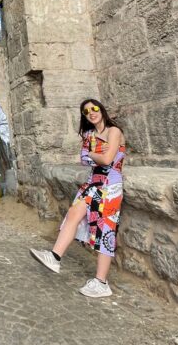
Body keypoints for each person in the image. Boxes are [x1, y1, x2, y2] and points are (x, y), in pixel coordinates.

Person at [29, 99, 126, 298]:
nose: (91, 112)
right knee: (73, 214)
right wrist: (96, 154)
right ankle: (54, 257)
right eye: (86, 111)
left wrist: (92, 153)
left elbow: (107, 160)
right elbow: (84, 160)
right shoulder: (89, 135)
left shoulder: (113, 131)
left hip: (110, 186)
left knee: (104, 232)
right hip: (92, 183)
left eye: (94, 108)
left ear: (101, 109)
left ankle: (101, 282)